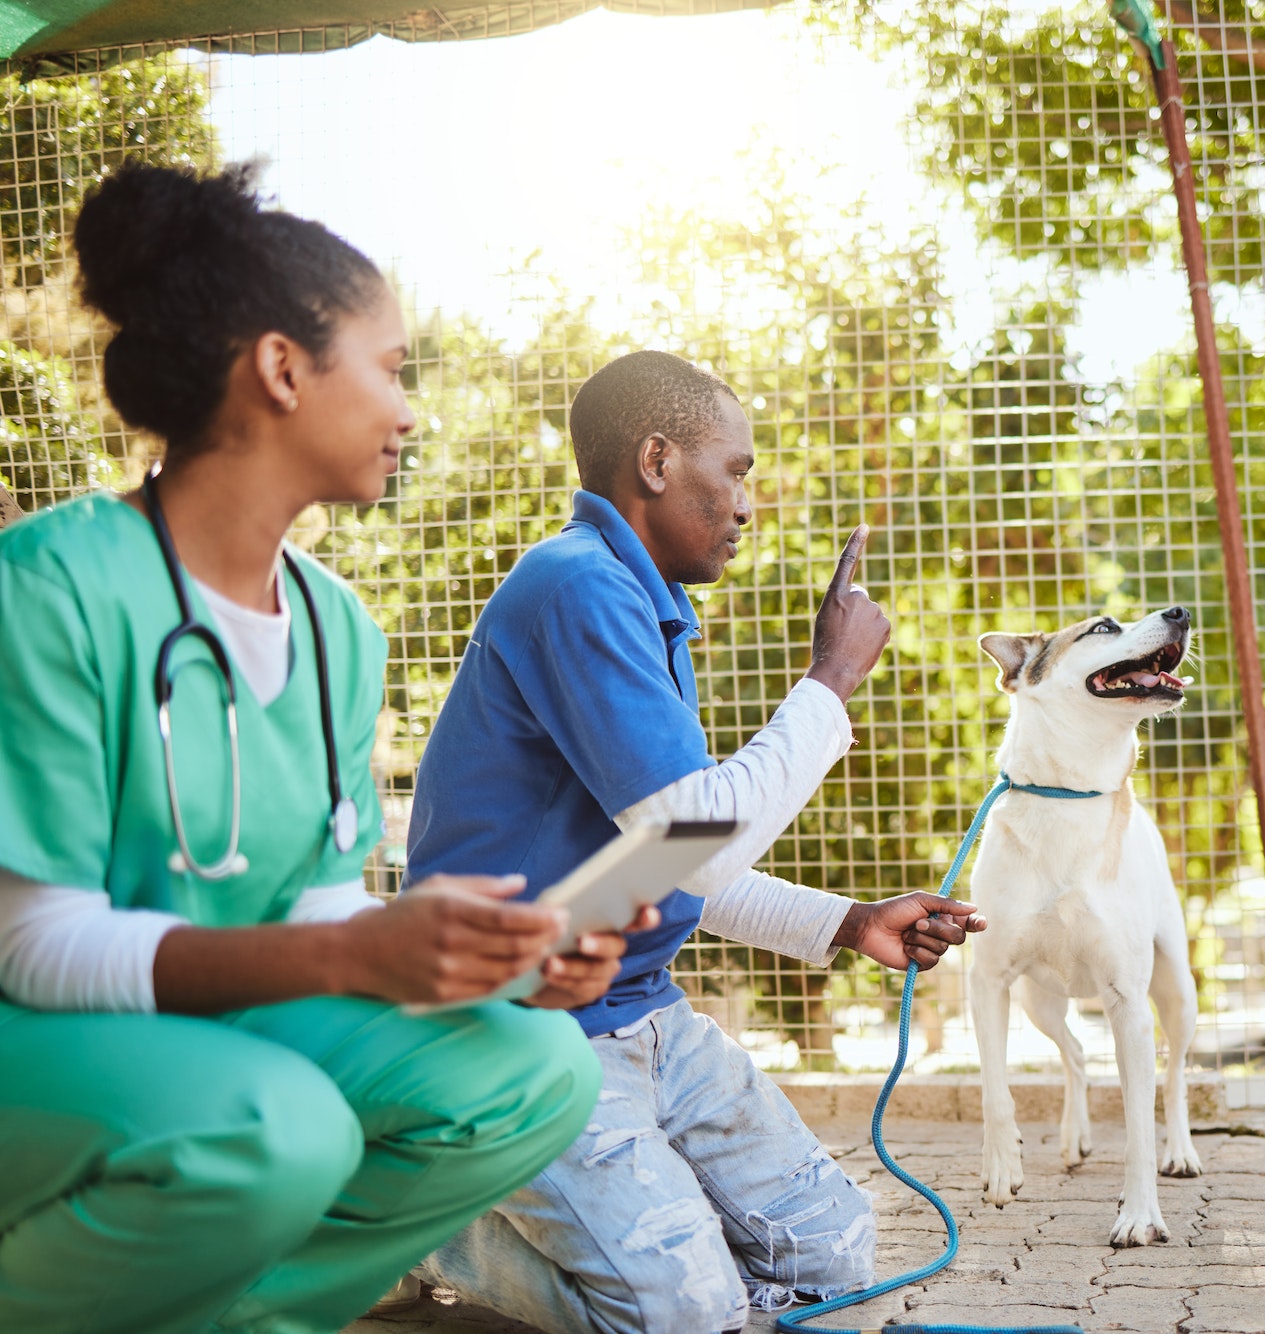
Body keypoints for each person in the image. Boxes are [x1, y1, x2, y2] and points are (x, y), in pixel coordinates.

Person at [0, 164, 644, 1333]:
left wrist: (491, 957)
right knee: (275, 1128)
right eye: (391, 368)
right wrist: (355, 961)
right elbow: (34, 945)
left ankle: (226, 1317)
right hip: (34, 1033)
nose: (410, 410)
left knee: (536, 1067)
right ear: (281, 368)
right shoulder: (46, 586)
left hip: (221, 1034)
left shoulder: (339, 628)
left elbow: (315, 905)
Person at [405, 349, 985, 1334]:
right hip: (520, 1035)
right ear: (658, 458)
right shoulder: (576, 587)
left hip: (641, 1016)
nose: (746, 503)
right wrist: (827, 683)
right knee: (682, 1309)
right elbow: (699, 840)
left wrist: (844, 922)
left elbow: (663, 861)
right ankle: (422, 1228)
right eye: (737, 469)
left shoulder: (638, 604)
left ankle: (648, 1256)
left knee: (829, 1253)